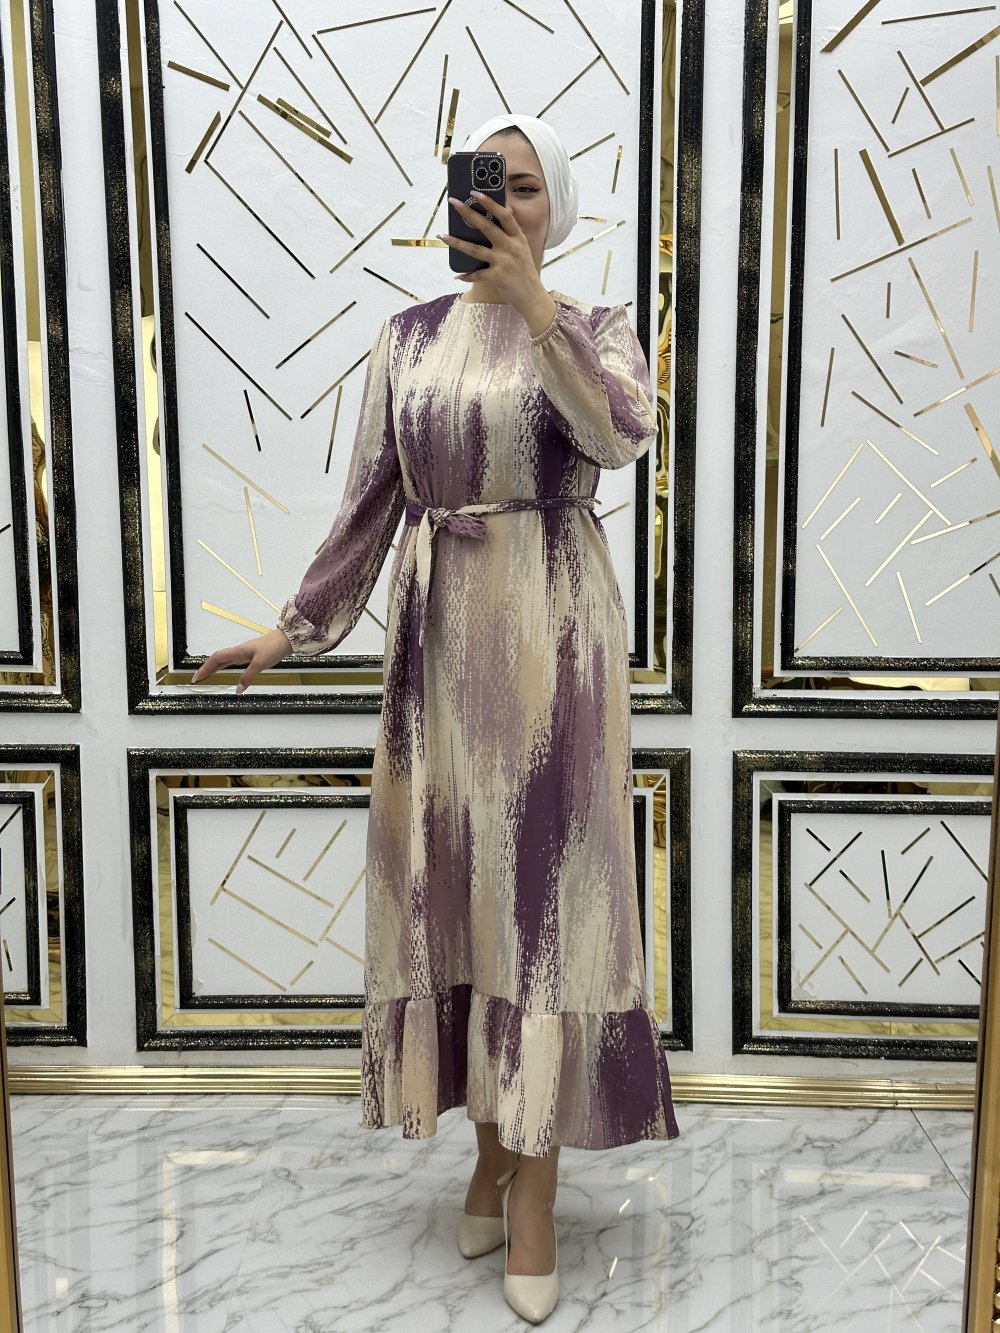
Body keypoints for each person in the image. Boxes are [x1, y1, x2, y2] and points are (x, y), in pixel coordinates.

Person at [192, 112, 680, 1324]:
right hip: (439, 643)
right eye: (483, 183)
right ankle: (489, 1147)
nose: (501, 202)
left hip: (552, 637)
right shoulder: (404, 338)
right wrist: (292, 627)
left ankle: (535, 1183)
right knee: (455, 891)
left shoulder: (597, 326)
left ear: (554, 206)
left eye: (524, 186)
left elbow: (621, 435)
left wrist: (536, 309)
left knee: (547, 904)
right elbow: (370, 501)